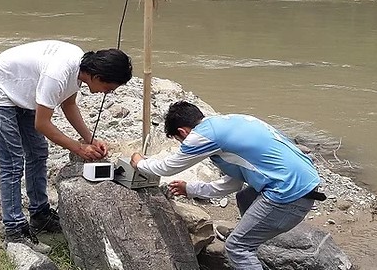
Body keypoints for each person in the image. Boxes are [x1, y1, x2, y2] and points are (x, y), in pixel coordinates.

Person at [0, 40, 132, 253]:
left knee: (38, 153)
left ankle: (40, 214)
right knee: (13, 162)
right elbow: (42, 124)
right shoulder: (58, 75)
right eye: (108, 88)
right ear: (97, 77)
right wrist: (78, 148)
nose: (107, 93)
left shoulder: (79, 68)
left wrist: (89, 139)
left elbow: (69, 104)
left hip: (24, 92)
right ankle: (14, 230)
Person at [130, 101, 324, 270]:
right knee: (244, 198)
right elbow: (233, 184)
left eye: (179, 140)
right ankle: (251, 241)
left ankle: (246, 246)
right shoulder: (227, 123)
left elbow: (167, 167)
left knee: (236, 247)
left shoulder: (201, 136)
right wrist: (190, 189)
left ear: (183, 132)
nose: (183, 144)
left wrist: (139, 163)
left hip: (287, 193)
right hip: (304, 181)